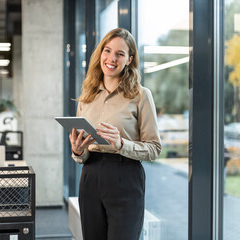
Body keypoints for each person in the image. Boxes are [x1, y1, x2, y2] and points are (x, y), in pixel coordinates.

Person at [69, 28, 161, 240]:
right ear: (100, 54)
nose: (111, 58)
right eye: (107, 51)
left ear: (129, 59)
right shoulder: (87, 96)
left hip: (125, 176)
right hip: (90, 177)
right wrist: (78, 151)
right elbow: (81, 155)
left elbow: (154, 149)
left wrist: (121, 144)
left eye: (120, 54)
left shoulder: (141, 95)